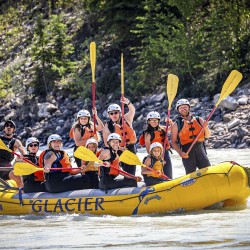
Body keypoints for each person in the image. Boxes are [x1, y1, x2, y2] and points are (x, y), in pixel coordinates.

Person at [171, 99, 211, 174]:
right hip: (187, 154)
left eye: (185, 107)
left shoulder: (199, 119)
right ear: (178, 110)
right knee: (191, 176)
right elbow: (173, 142)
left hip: (201, 151)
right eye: (181, 107)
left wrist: (205, 127)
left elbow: (208, 135)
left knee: (207, 172)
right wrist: (180, 153)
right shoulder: (176, 125)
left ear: (189, 107)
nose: (183, 109)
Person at [102, 98, 137, 175]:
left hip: (130, 147)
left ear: (120, 113)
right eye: (111, 113)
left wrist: (128, 102)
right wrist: (120, 148)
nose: (114, 115)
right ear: (109, 115)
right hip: (118, 149)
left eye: (116, 113)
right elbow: (107, 143)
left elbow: (132, 110)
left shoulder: (127, 119)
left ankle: (131, 180)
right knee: (124, 169)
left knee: (131, 171)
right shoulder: (107, 127)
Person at [139, 111, 173, 179]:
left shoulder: (162, 129)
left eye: (156, 120)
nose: (154, 122)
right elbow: (148, 150)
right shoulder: (147, 134)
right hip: (155, 156)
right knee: (159, 174)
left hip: (165, 153)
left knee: (168, 174)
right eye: (152, 121)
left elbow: (172, 128)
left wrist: (170, 123)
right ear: (148, 122)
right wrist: (158, 158)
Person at [0, 120, 26, 187]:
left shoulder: (16, 141)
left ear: (13, 129)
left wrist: (23, 156)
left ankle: (22, 193)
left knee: (16, 175)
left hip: (5, 167)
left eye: (11, 126)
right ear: (4, 128)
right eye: (7, 126)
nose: (9, 127)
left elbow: (23, 151)